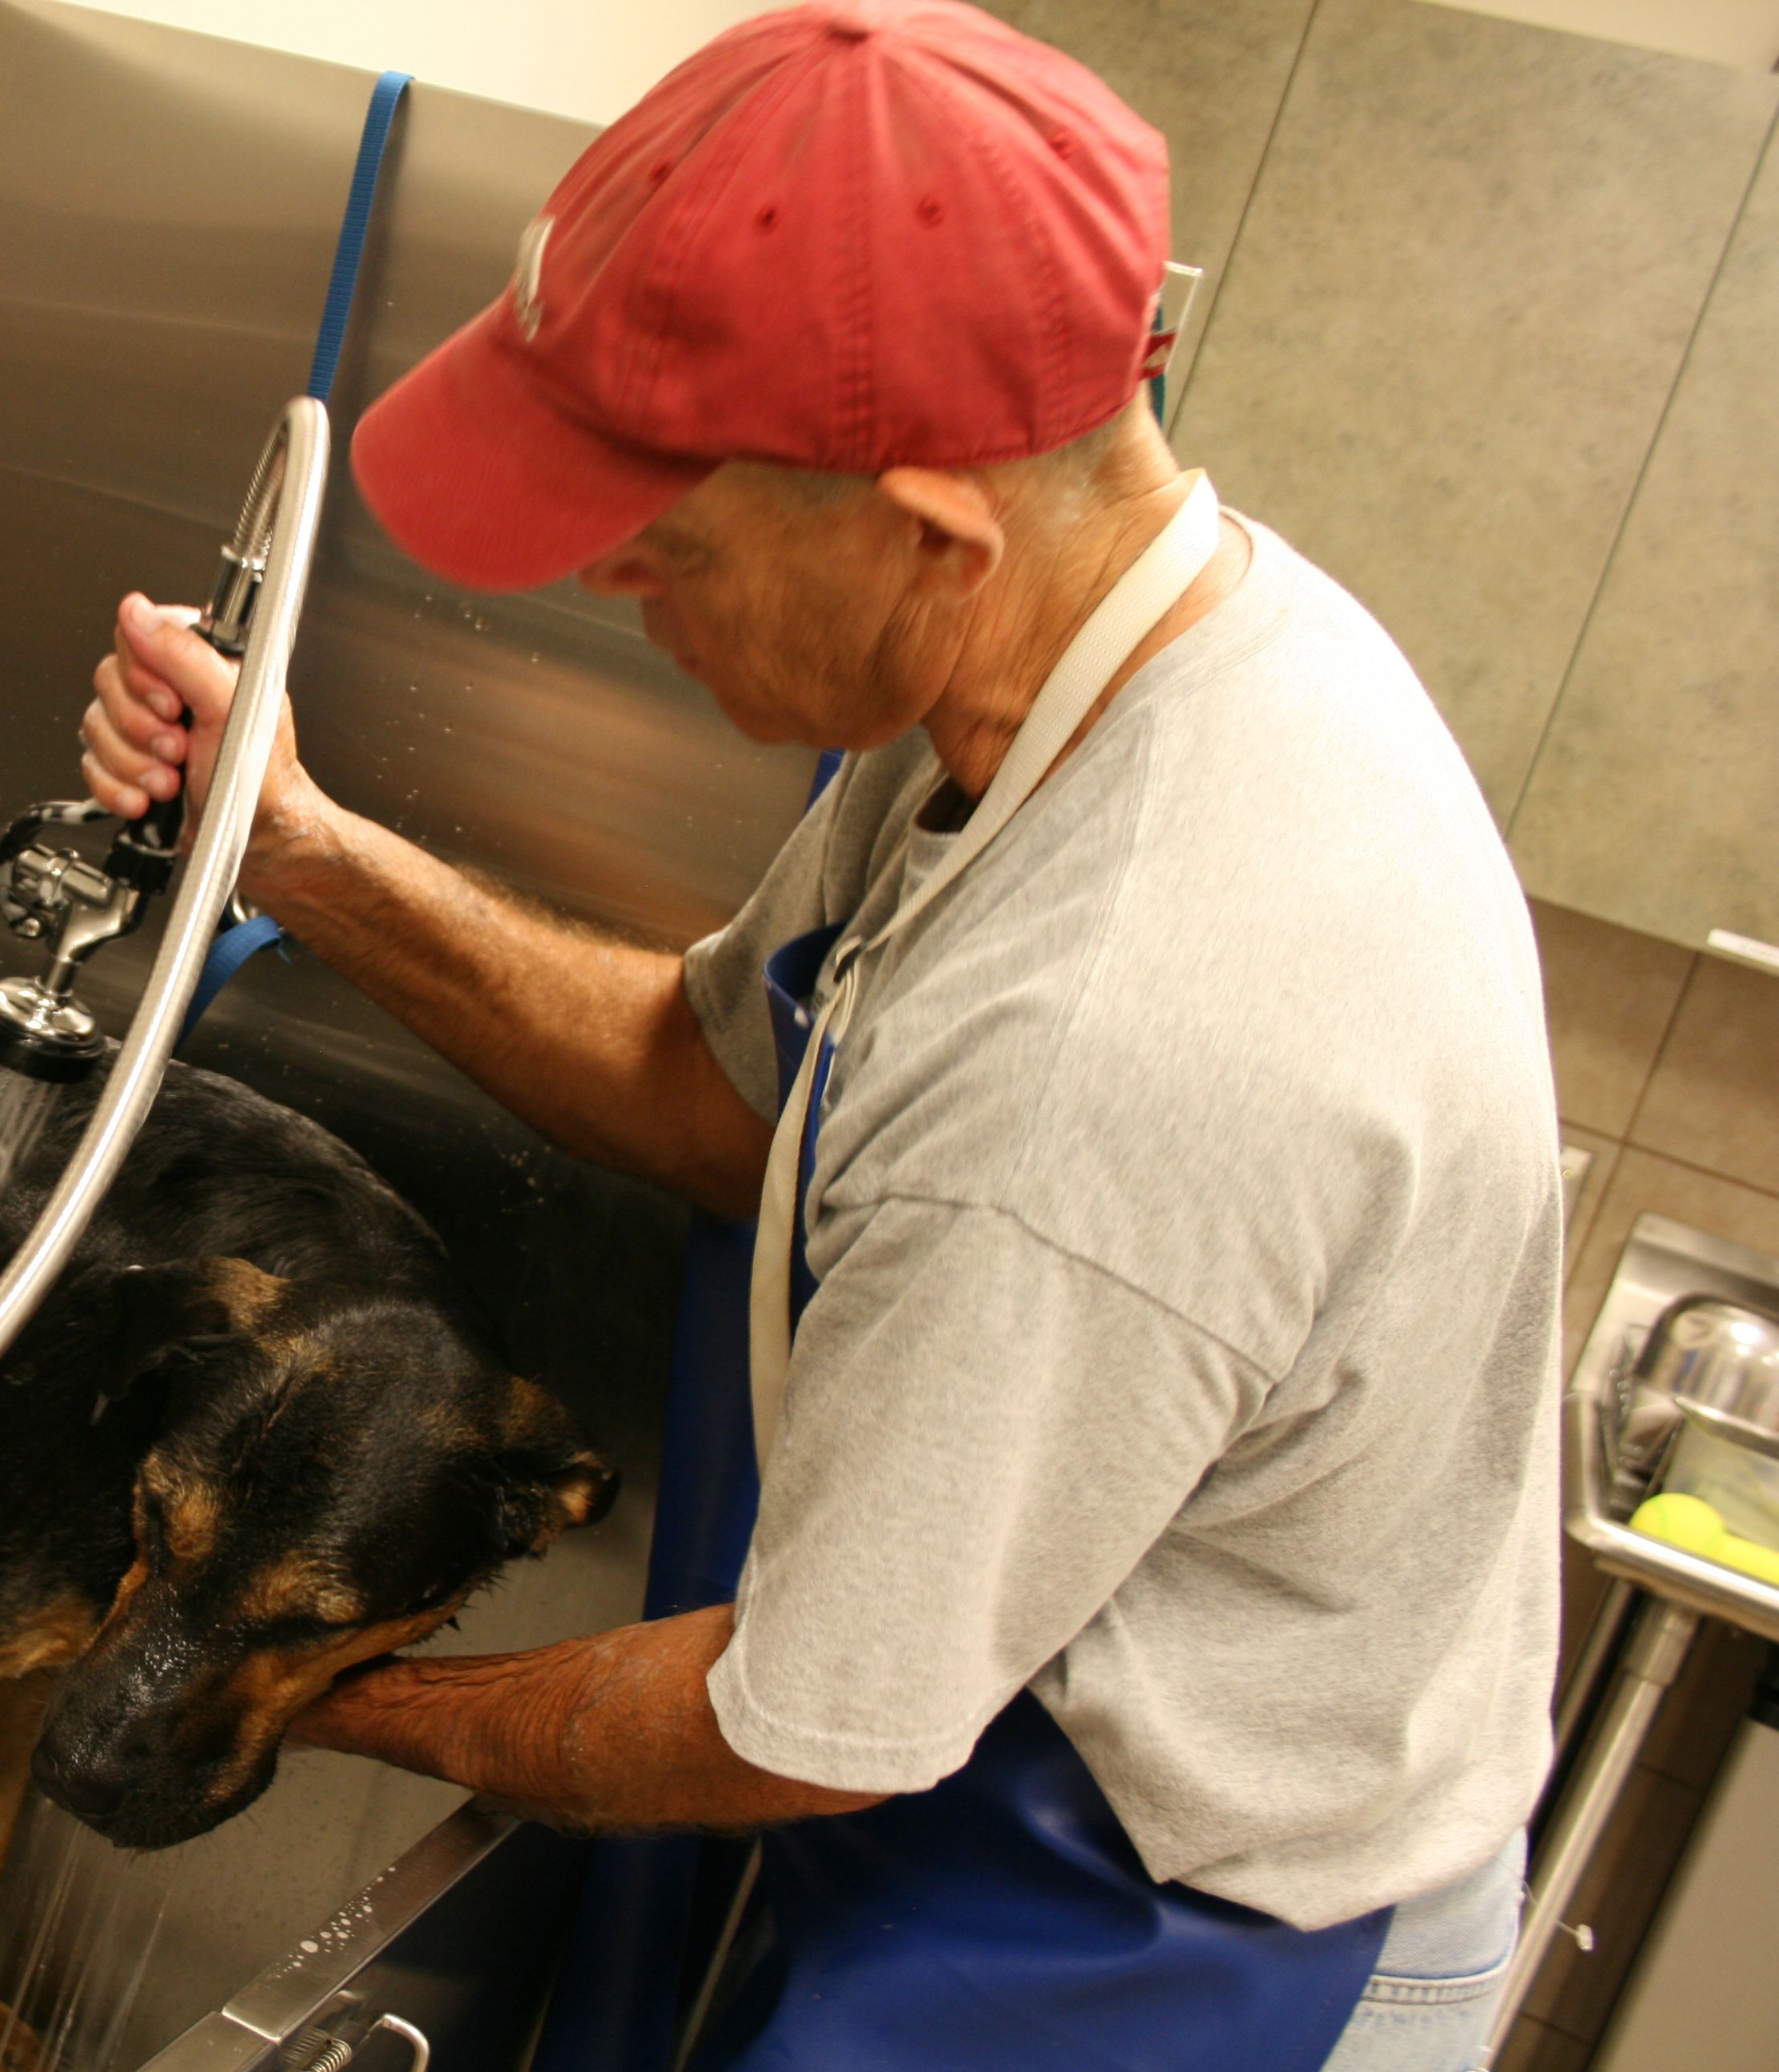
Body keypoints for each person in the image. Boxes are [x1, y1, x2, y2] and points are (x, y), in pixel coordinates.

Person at [76, 6, 1562, 2068]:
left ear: (927, 527)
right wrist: (295, 853)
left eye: (658, 538)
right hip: (995, 1795)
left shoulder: (1117, 1041)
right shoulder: (1066, 679)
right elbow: (718, 1096)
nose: (605, 577)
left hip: (1190, 1944)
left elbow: (802, 1727)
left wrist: (278, 1683)